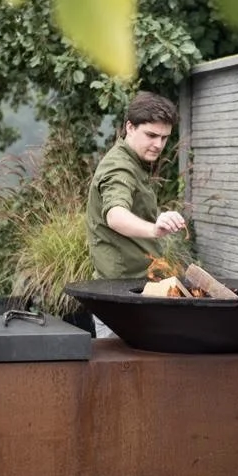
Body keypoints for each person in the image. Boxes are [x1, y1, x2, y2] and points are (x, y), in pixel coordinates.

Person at [86, 91, 187, 336]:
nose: (158, 145)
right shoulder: (119, 166)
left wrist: (161, 217)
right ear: (129, 127)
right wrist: (154, 229)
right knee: (121, 371)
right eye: (151, 135)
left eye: (164, 138)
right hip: (120, 297)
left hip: (138, 289)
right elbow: (115, 215)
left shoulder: (135, 162)